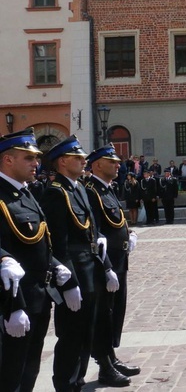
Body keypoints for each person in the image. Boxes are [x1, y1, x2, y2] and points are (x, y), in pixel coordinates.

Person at [41, 135, 123, 391]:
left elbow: (95, 235)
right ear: (63, 162)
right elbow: (59, 243)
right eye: (78, 158)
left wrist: (107, 266)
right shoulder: (57, 193)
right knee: (72, 335)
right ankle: (66, 384)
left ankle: (78, 381)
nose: (84, 161)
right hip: (75, 271)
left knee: (87, 332)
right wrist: (69, 283)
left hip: (92, 269)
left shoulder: (79, 189)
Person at [0, 129, 72, 392]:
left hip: (39, 299)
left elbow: (39, 240)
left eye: (37, 158)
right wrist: (13, 307)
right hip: (13, 303)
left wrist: (55, 265)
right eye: (29, 158)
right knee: (10, 372)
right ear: (8, 160)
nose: (36, 164)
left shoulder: (26, 193)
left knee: (29, 367)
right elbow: (6, 257)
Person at [85, 144, 141, 385]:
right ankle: (104, 365)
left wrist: (128, 236)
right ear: (97, 165)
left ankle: (111, 356)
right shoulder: (91, 191)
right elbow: (95, 233)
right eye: (112, 162)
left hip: (120, 260)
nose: (118, 165)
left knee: (116, 311)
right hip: (105, 265)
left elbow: (116, 221)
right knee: (103, 315)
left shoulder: (108, 189)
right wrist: (106, 267)